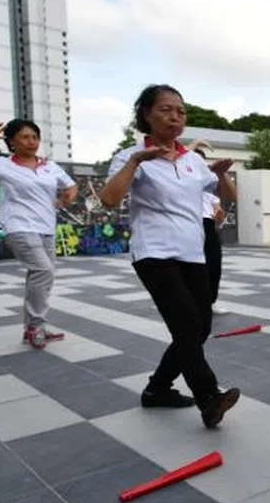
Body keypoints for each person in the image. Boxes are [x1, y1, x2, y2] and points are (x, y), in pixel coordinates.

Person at [100, 84, 241, 428]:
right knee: (186, 326)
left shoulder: (193, 160)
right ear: (146, 114)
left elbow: (230, 197)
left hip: (192, 253)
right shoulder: (131, 156)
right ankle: (209, 397)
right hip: (154, 253)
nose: (175, 116)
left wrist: (221, 173)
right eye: (165, 109)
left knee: (199, 328)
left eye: (180, 111)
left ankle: (158, 388)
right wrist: (135, 162)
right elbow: (109, 199)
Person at [0, 119, 77, 349]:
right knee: (43, 271)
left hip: (46, 229)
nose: (31, 142)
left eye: (35, 137)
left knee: (41, 276)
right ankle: (36, 326)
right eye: (25, 137)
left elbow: (70, 185)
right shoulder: (2, 165)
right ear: (12, 141)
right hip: (19, 227)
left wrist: (66, 198)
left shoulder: (50, 166)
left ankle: (32, 327)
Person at [188, 145, 228, 315]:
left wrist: (219, 215)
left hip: (208, 226)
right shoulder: (183, 182)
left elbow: (218, 212)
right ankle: (190, 302)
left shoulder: (209, 188)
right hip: (189, 225)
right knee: (192, 266)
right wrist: (196, 142)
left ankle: (210, 301)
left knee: (214, 264)